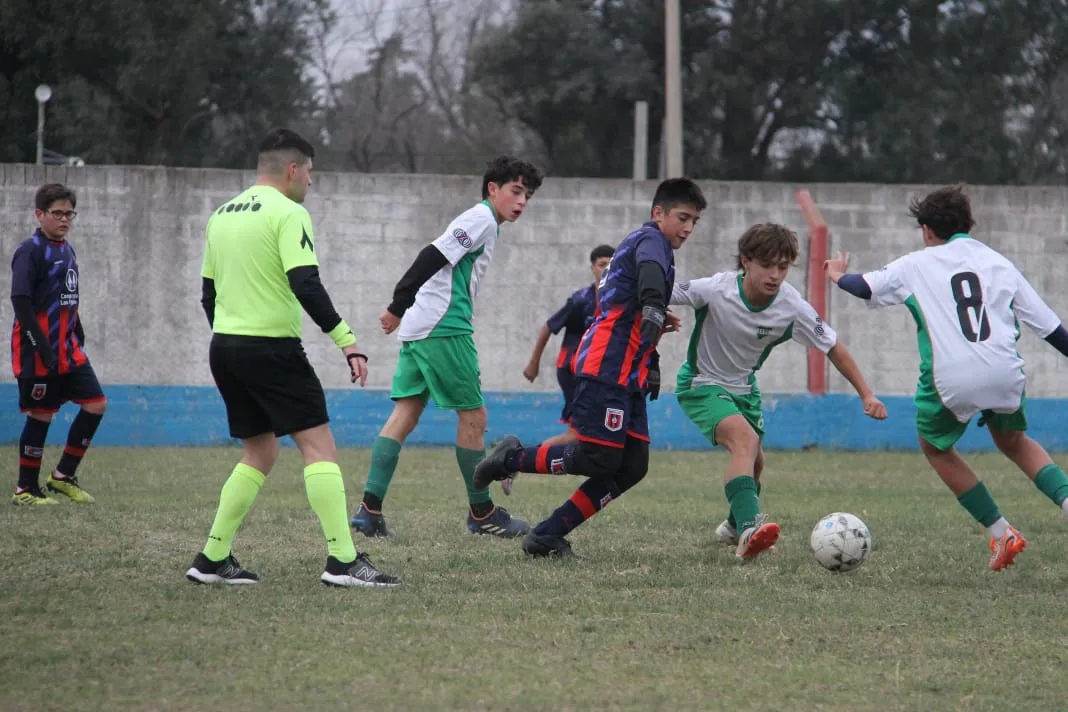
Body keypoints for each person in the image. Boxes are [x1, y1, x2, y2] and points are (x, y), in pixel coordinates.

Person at [185, 128, 399, 588]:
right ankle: (343, 562)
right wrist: (347, 340)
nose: (311, 182)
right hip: (272, 349)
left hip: (225, 347)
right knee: (319, 447)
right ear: (293, 168)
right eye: (310, 172)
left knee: (260, 451)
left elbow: (208, 295)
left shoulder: (220, 215)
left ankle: (212, 557)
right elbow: (305, 283)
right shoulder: (289, 212)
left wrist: (234, 337)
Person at [826, 185, 1068, 571]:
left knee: (936, 448)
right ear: (968, 224)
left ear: (926, 230)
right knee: (1014, 441)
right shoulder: (999, 263)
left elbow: (862, 286)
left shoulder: (915, 264)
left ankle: (1001, 532)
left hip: (950, 378)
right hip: (1004, 371)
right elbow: (1052, 329)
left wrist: (836, 274)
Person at [473, 178, 707, 558]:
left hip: (628, 372)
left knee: (632, 466)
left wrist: (652, 357)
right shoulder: (652, 241)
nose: (688, 228)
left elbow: (630, 308)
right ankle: (510, 459)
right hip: (607, 366)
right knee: (599, 457)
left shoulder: (652, 247)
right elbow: (646, 286)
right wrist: (653, 306)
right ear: (658, 213)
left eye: (694, 221)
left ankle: (546, 536)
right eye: (683, 217)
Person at [349, 155, 544, 539]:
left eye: (528, 195)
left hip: (421, 328)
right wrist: (397, 304)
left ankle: (369, 512)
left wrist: (404, 310)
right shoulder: (482, 218)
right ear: (493, 189)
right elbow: (432, 255)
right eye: (516, 191)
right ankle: (482, 513)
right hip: (444, 329)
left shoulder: (487, 222)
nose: (522, 201)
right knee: (474, 418)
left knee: (405, 414)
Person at [669, 223, 887, 560]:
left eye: (783, 267)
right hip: (702, 383)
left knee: (755, 463)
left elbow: (833, 346)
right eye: (767, 265)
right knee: (745, 441)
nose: (775, 275)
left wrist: (866, 394)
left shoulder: (791, 306)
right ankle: (748, 531)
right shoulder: (715, 289)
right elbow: (661, 291)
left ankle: (732, 526)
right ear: (746, 261)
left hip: (744, 389)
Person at [9, 183, 106, 506]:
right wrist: (40, 344)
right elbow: (20, 300)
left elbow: (67, 296)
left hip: (69, 349)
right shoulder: (30, 251)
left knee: (96, 403)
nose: (64, 219)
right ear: (40, 214)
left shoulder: (67, 250)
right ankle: (25, 490)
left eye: (69, 214)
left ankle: (62, 476)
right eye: (57, 213)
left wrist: (78, 330)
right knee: (42, 414)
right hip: (37, 351)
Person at [521, 244, 615, 449]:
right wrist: (534, 363)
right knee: (576, 434)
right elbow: (548, 327)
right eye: (602, 265)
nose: (606, 270)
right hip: (572, 371)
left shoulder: (616, 301)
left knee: (594, 431)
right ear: (593, 268)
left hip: (595, 373)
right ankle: (522, 459)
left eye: (611, 265)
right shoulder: (580, 301)